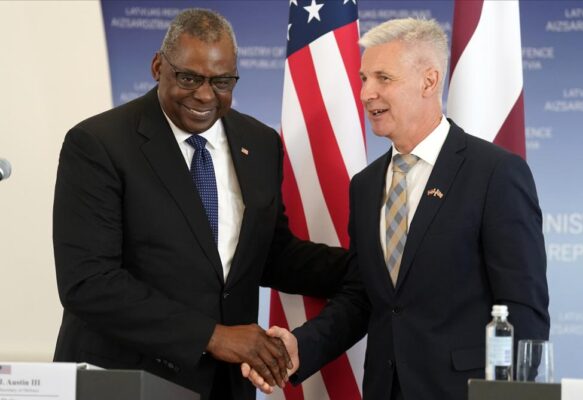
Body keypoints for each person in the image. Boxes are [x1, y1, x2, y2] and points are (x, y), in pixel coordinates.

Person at [243, 17, 550, 400]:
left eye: (383, 78)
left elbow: (523, 310)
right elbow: (363, 297)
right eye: (363, 78)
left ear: (429, 81)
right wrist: (300, 348)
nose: (365, 93)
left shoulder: (495, 174)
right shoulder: (366, 185)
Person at [52, 8, 349, 400]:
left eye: (221, 81)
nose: (205, 95)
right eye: (189, 78)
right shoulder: (98, 144)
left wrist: (371, 268)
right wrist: (214, 337)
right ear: (158, 67)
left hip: (225, 385)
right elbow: (89, 283)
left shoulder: (260, 143)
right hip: (126, 380)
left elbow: (269, 253)